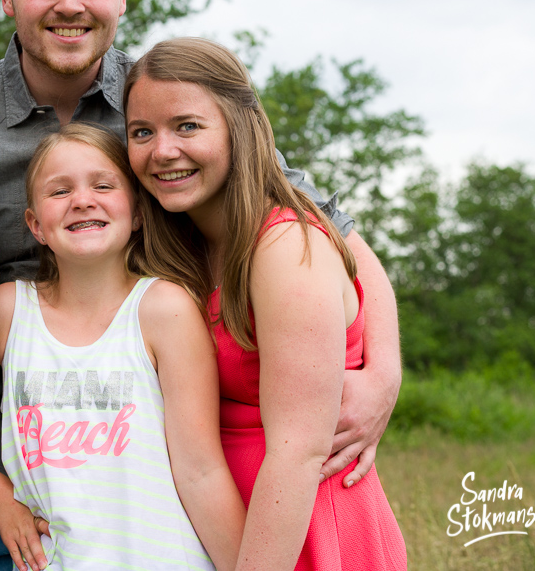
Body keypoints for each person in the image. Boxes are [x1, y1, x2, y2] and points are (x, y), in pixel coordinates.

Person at [0, 0, 402, 569]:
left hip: (155, 450)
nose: (70, 4)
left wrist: (383, 372)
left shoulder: (167, 102)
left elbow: (333, 237)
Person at [123, 37, 407, 570]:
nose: (162, 150)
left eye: (187, 126)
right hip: (221, 527)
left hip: (297, 530)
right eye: (142, 133)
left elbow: (298, 453)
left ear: (239, 128)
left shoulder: (283, 247)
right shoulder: (183, 250)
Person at [0, 123, 247, 571]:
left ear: (137, 213)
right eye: (59, 191)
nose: (82, 199)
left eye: (103, 185)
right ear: (35, 225)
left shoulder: (163, 309)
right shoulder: (8, 310)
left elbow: (201, 471)